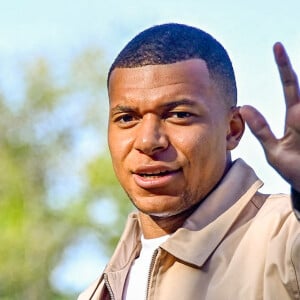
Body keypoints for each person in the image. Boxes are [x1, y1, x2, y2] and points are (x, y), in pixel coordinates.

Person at [78, 23, 300, 299]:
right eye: (127, 118)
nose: (147, 141)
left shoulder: (284, 237)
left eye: (179, 115)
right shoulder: (98, 291)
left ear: (232, 130)